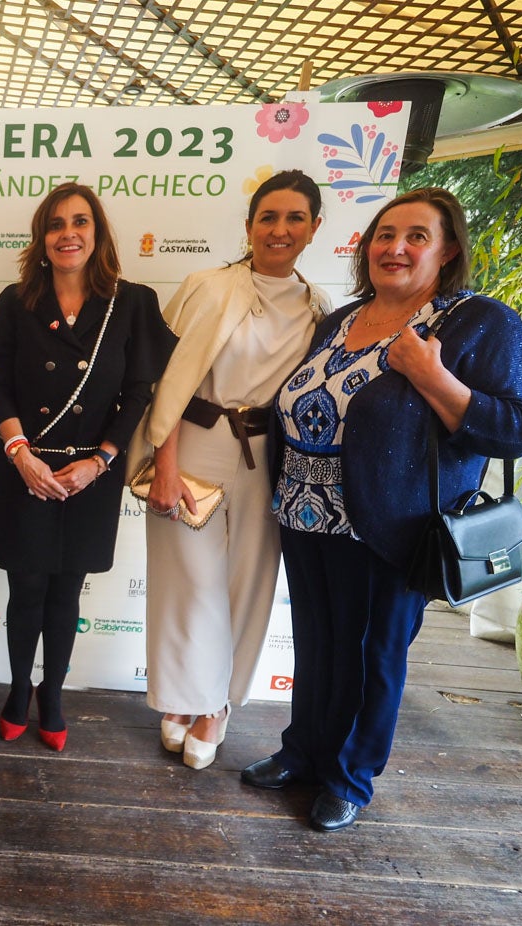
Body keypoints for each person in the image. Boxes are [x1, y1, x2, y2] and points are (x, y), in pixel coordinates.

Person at [241, 187, 522, 831]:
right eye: (384, 234)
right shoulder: (341, 319)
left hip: (388, 522)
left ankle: (349, 776)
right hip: (306, 510)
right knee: (319, 645)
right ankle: (305, 752)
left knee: (375, 653)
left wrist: (435, 378)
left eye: (415, 236)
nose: (394, 248)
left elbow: (517, 428)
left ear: (449, 248)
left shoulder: (478, 322)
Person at [137, 170, 333, 771]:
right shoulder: (208, 286)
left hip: (267, 461)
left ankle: (216, 704)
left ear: (315, 228)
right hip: (193, 447)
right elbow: (166, 382)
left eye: (294, 218)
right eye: (268, 217)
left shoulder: (321, 307)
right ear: (248, 226)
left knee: (247, 585)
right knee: (188, 584)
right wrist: (164, 465)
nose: (280, 230)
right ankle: (185, 692)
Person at [0, 182, 176, 751]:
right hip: (26, 471)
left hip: (92, 474)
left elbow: (141, 392)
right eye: (56, 224)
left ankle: (55, 693)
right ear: (42, 239)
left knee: (67, 592)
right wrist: (20, 455)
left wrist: (102, 461)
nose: (68, 233)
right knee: (25, 590)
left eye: (80, 222)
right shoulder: (14, 301)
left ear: (97, 234)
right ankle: (18, 689)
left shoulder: (133, 301)